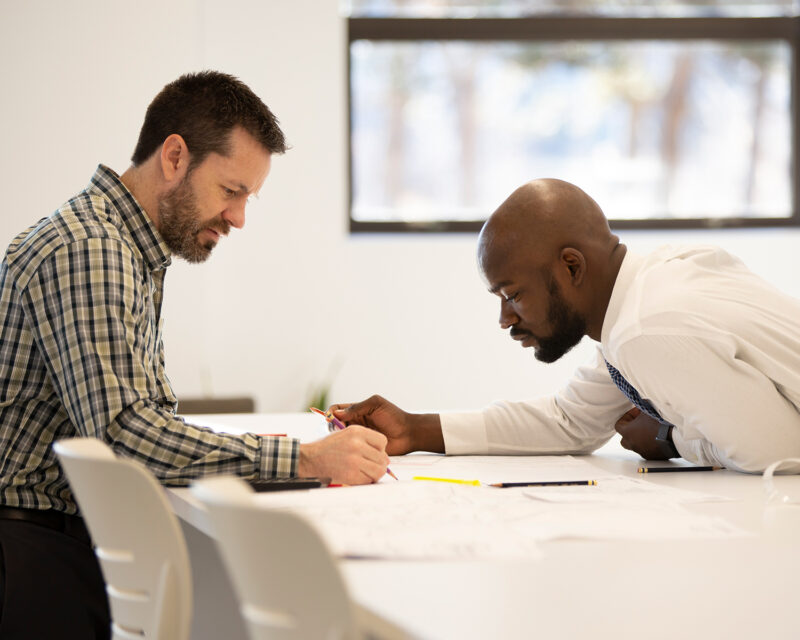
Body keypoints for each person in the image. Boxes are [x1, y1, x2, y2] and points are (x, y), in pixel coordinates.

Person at [0, 70, 389, 639]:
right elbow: (126, 435)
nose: (239, 217)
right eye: (231, 191)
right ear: (175, 157)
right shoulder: (92, 249)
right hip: (31, 559)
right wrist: (305, 460)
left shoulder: (122, 246)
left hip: (46, 547)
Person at [332, 178, 800, 477]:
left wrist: (670, 440)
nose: (505, 319)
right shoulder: (650, 289)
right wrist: (415, 430)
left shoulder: (646, 329)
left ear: (571, 267)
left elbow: (779, 452)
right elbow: (570, 421)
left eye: (513, 294)